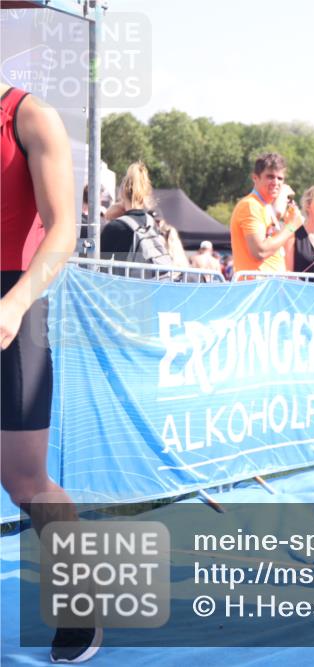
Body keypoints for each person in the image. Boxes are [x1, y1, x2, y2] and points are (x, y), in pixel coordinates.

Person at [1, 85, 102, 662]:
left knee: (25, 482)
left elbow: (63, 229)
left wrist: (14, 304)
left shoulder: (28, 115)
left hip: (14, 302)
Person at [229, 152, 303, 277]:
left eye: (280, 178)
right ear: (255, 178)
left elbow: (271, 244)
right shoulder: (250, 206)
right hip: (256, 289)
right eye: (270, 176)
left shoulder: (265, 206)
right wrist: (291, 227)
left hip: (269, 288)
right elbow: (260, 252)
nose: (276, 182)